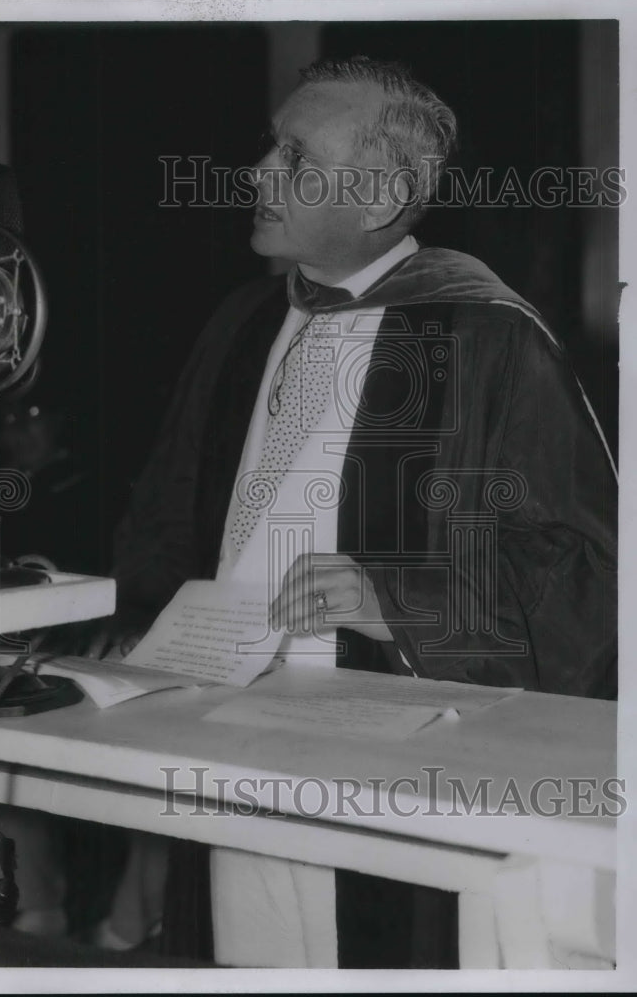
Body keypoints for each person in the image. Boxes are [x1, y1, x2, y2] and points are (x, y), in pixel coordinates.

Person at [99, 54, 616, 968]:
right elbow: (168, 516)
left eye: (295, 157)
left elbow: (584, 569)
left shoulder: (485, 335)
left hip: (391, 761)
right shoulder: (240, 325)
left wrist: (397, 599)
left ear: (378, 198)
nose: (258, 174)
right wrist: (134, 622)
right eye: (270, 148)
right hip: (218, 738)